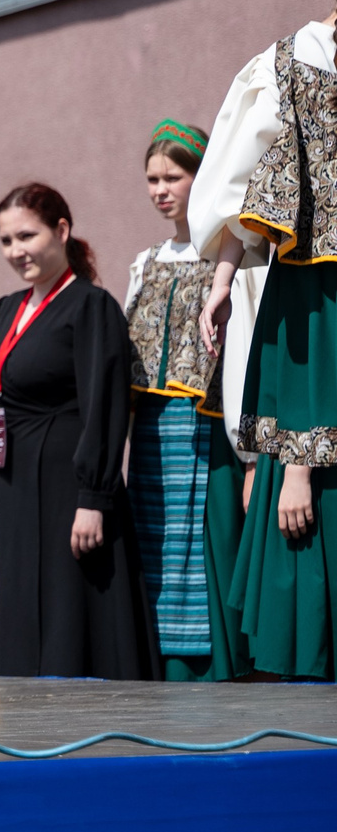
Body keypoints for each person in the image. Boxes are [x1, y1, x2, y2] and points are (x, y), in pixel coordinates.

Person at [194, 0, 337, 679]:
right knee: (310, 462)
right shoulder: (288, 64)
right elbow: (248, 193)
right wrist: (222, 278)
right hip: (316, 290)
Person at [0, 183, 154, 679]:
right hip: (15, 491)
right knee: (22, 614)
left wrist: (93, 497)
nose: (17, 251)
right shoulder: (5, 310)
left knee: (71, 613)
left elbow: (104, 406)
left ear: (61, 230)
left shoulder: (91, 306)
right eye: (6, 241)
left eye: (27, 236)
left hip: (68, 492)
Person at [124, 122, 242, 680]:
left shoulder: (229, 256)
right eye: (152, 179)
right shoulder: (146, 262)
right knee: (158, 545)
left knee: (204, 544)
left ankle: (209, 670)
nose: (160, 190)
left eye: (173, 176)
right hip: (150, 433)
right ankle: (160, 666)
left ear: (202, 174)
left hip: (206, 425)